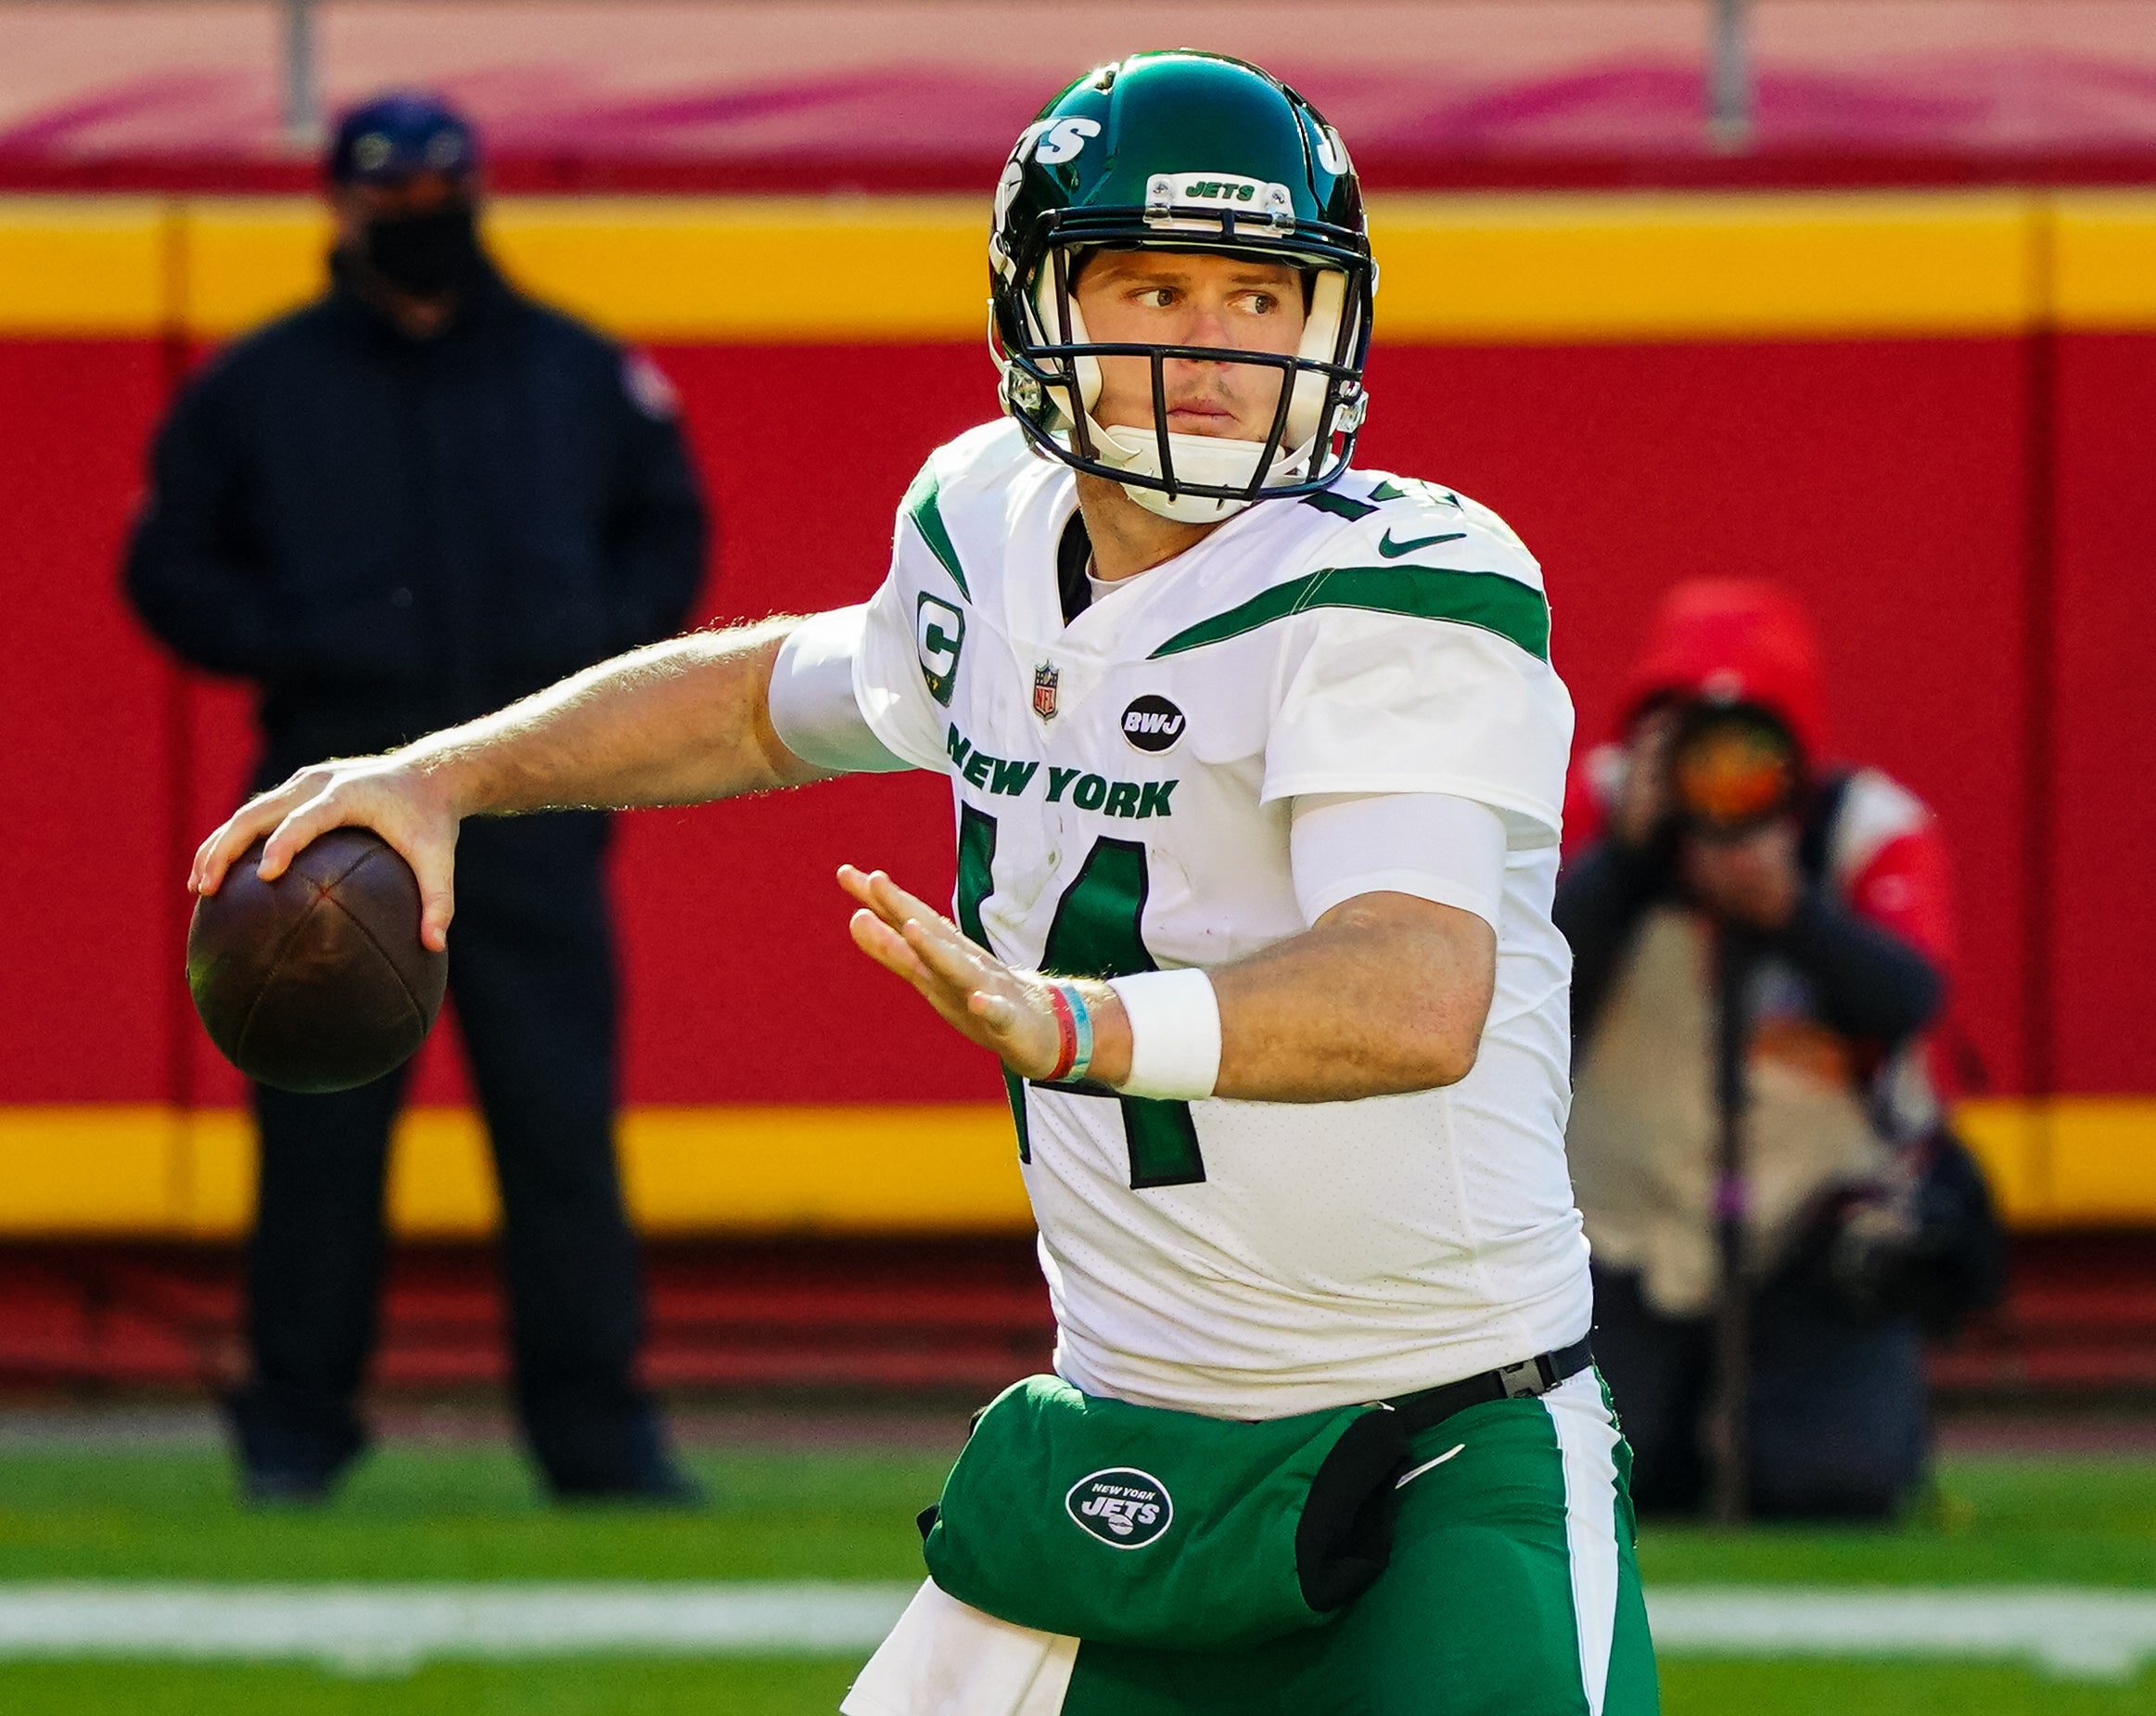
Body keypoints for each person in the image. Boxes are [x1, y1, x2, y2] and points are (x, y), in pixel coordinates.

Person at [190, 54, 1656, 1714]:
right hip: (1120, 1434)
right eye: (1151, 285)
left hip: (1438, 1453)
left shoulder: (1405, 579)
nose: (1214, 346)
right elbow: (765, 698)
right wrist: (445, 770)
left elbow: (1415, 990)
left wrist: (1086, 1026)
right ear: (1038, 305)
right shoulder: (985, 524)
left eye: (1262, 293)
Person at [125, 92, 707, 1504]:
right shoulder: (258, 388)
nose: (421, 224)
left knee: (559, 1128)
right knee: (318, 1138)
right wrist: (320, 645)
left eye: (440, 193)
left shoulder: (579, 374)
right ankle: (292, 1435)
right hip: (325, 815)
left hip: (529, 799)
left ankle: (597, 1440)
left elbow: (670, 535)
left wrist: (576, 669)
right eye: (392, 200)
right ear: (338, 208)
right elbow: (169, 569)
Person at [1556, 580, 1959, 1520]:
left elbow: (1909, 999)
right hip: (1616, 1225)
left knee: (1833, 1485)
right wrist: (1625, 858)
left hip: (1811, 1229)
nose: (1717, 770)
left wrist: (1791, 914)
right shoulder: (1590, 805)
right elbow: (1520, 983)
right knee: (1614, 1482)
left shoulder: (1865, 829)